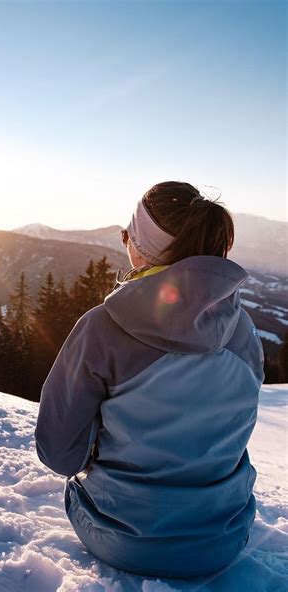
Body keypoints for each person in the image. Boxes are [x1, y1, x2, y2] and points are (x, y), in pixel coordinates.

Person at [34, 181, 264, 579]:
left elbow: (59, 453)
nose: (124, 240)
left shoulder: (103, 328)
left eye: (128, 233)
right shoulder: (243, 332)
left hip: (121, 539)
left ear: (142, 247)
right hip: (224, 538)